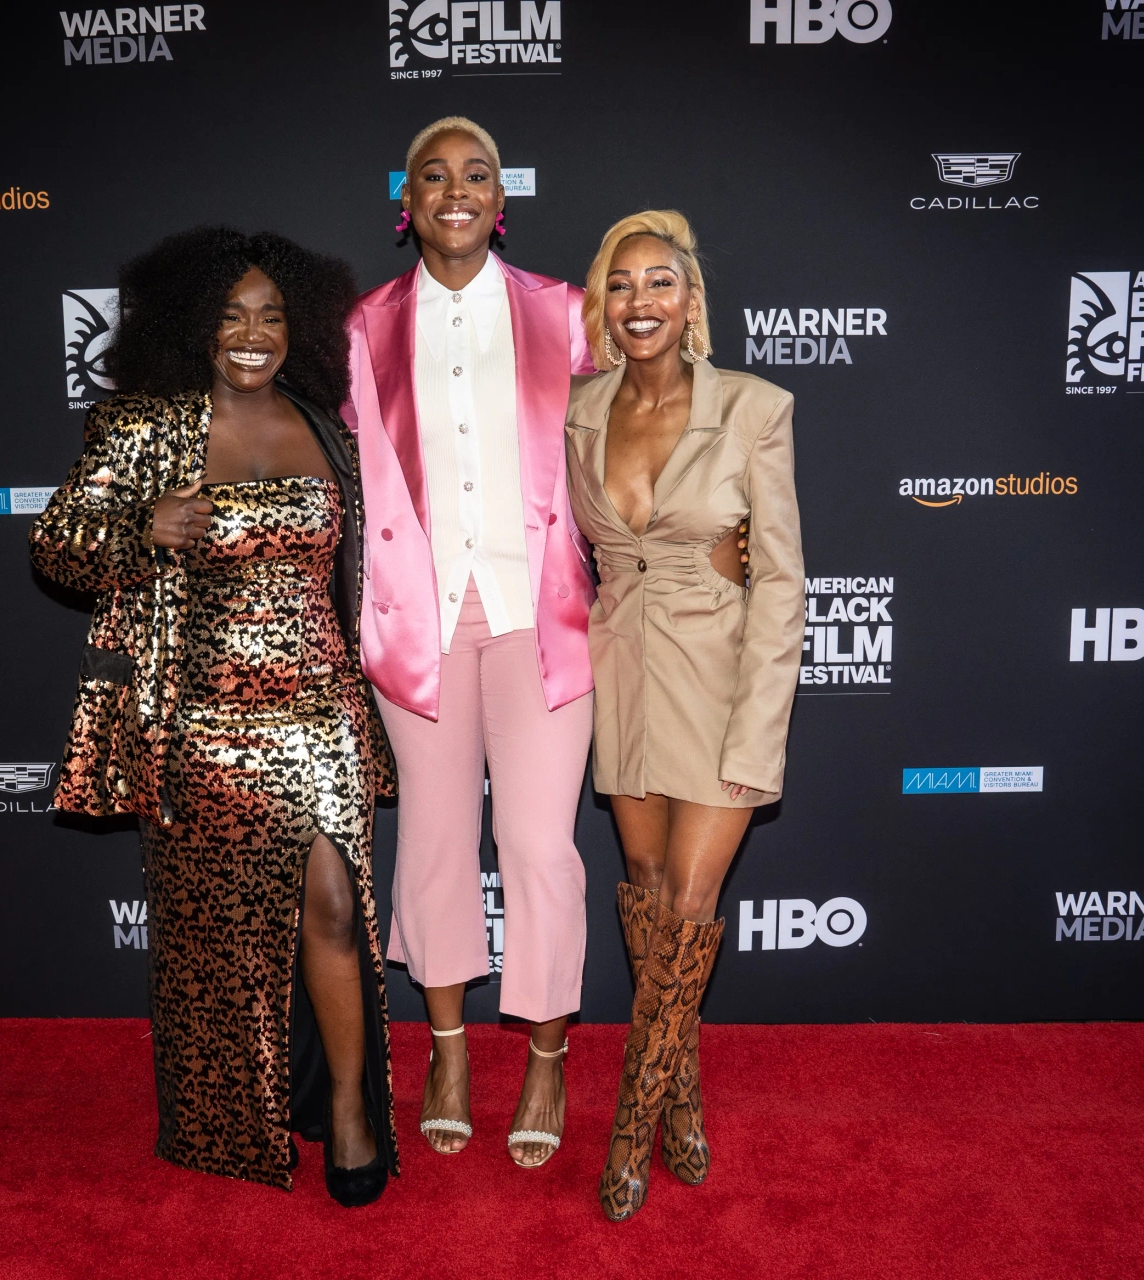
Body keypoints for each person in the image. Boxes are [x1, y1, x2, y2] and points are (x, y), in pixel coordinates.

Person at [31, 226, 397, 1207]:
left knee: (331, 906)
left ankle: (352, 1112)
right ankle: (234, 1111)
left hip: (320, 706)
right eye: (232, 314)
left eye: (272, 315)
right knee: (225, 939)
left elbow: (364, 570)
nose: (253, 333)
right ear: (196, 323)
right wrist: (136, 526)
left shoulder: (325, 427)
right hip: (201, 725)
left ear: (299, 328)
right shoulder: (146, 429)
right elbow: (59, 547)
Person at [342, 116, 597, 1168]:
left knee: (538, 847)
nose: (457, 189)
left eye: (477, 173)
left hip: (544, 615)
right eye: (434, 175)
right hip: (420, 624)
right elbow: (344, 477)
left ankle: (544, 1051)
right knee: (438, 844)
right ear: (409, 200)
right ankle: (447, 1050)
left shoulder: (567, 313)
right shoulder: (364, 325)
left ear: (504, 198)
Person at [564, 211, 804, 1220]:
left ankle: (631, 1120)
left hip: (717, 677)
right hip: (621, 670)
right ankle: (685, 1098)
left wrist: (759, 732)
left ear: (690, 300)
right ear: (602, 304)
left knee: (692, 907)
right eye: (622, 286)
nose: (641, 302)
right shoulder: (577, 408)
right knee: (649, 891)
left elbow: (782, 580)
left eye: (660, 283)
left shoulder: (754, 406)